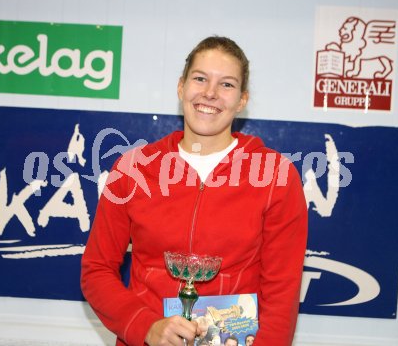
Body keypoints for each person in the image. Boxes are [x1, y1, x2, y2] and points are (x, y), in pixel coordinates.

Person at [81, 36, 308, 346]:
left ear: (242, 100)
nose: (210, 93)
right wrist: (146, 326)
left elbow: (282, 293)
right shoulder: (133, 169)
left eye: (226, 85)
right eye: (200, 79)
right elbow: (96, 271)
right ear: (181, 87)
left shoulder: (276, 177)